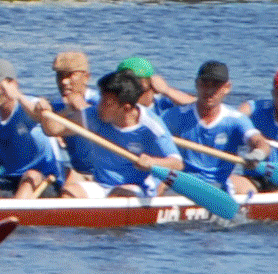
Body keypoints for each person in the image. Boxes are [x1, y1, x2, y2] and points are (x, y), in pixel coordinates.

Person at [44, 68, 183, 199]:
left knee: (117, 195)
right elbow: (52, 130)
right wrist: (45, 112)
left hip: (137, 188)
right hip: (102, 185)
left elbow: (177, 163)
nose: (99, 106)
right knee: (68, 194)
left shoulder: (152, 126)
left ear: (126, 108)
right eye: (101, 99)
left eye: (107, 103)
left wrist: (152, 162)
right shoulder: (94, 115)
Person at [161, 60, 257, 199]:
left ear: (227, 87)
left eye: (216, 86)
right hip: (183, 182)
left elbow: (259, 142)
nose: (209, 91)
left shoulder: (236, 119)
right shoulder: (174, 116)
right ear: (197, 84)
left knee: (248, 187)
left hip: (219, 184)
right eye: (205, 84)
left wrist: (257, 153)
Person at [0, 60, 66, 197]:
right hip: (9, 179)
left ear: (13, 84)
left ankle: (15, 214)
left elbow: (40, 113)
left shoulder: (29, 105)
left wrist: (18, 95)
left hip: (45, 180)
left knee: (30, 176)